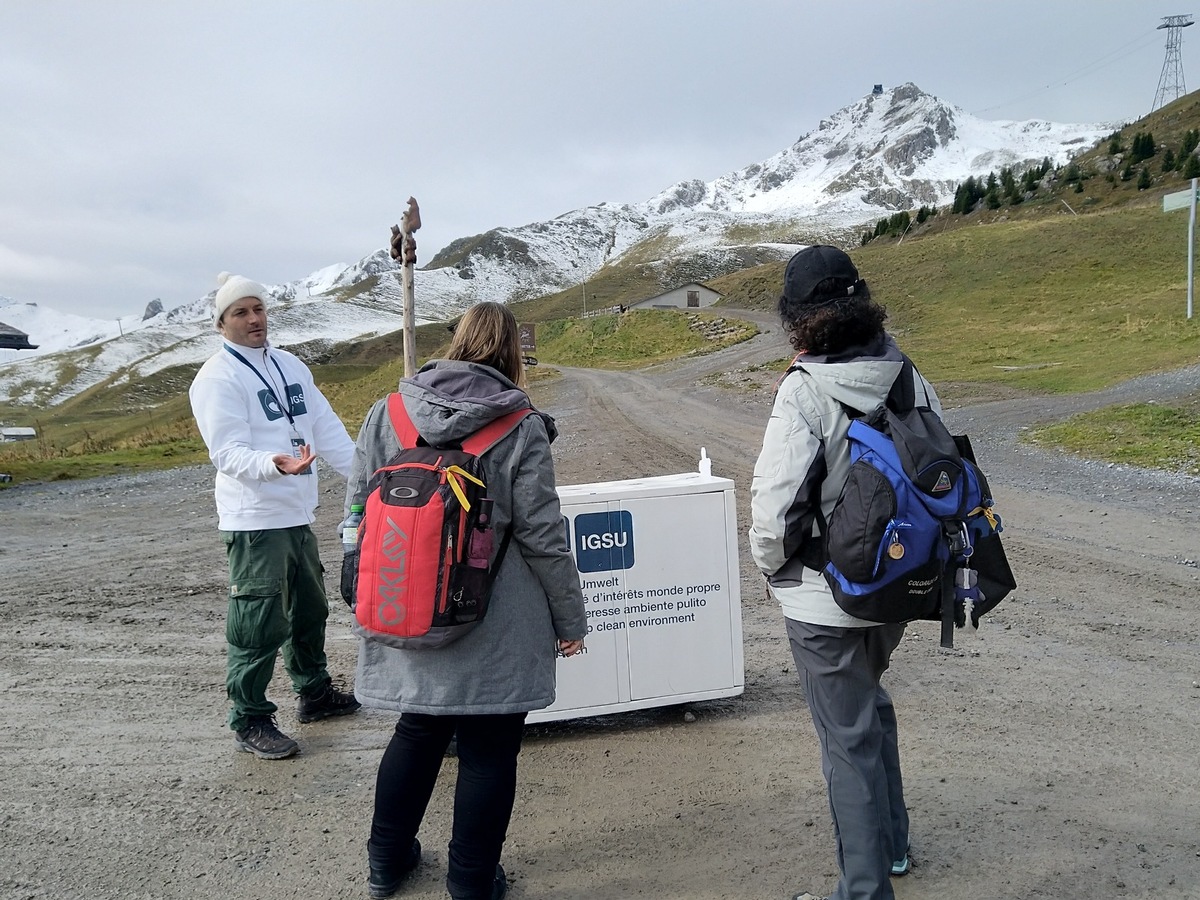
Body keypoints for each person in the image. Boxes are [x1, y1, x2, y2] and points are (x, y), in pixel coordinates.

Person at [345, 300, 587, 900]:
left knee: (417, 729)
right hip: (496, 620)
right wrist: (569, 618)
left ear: (455, 343)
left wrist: (362, 589)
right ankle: (472, 882)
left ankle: (385, 864)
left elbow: (355, 510)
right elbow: (542, 535)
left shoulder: (389, 412)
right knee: (488, 750)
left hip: (409, 605)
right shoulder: (520, 424)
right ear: (512, 356)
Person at [749, 246, 940, 900]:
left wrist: (771, 572)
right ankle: (891, 849)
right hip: (896, 585)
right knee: (868, 706)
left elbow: (776, 514)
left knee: (846, 737)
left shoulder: (804, 391)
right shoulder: (908, 373)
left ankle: (863, 890)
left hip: (820, 599)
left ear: (798, 318)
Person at [189, 272, 361, 761]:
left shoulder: (290, 366)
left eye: (258, 309)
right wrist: (273, 463)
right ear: (222, 323)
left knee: (309, 610)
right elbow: (226, 452)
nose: (254, 319)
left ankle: (314, 693)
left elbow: (325, 428)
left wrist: (367, 478)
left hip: (296, 514)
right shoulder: (217, 378)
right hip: (254, 520)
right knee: (259, 620)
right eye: (240, 312)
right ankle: (249, 718)